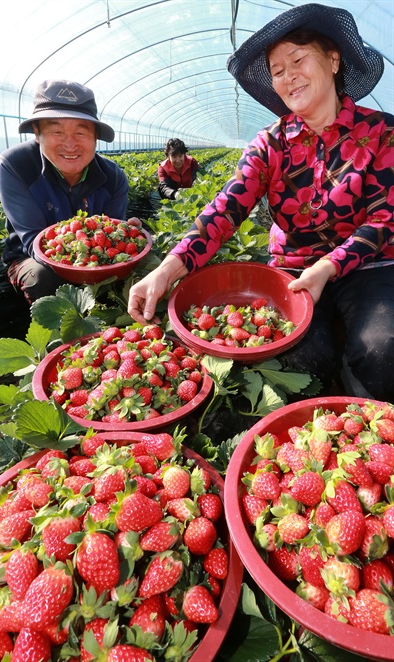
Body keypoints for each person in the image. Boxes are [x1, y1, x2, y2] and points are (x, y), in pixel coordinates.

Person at [128, 3, 394, 402]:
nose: (288, 77)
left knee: (382, 348)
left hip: (370, 266)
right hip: (294, 271)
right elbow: (226, 208)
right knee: (299, 358)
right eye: (277, 71)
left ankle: (372, 412)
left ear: (334, 60)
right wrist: (167, 269)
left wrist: (330, 265)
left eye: (298, 59)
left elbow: (385, 219)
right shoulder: (270, 143)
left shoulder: (381, 132)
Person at [0, 79, 129, 304]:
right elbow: (35, 243)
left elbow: (112, 239)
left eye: (81, 132)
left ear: (95, 136)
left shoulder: (114, 176)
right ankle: (58, 333)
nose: (70, 145)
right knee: (43, 279)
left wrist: (125, 234)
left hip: (97, 259)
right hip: (30, 257)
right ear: (37, 133)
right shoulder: (15, 165)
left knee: (137, 270)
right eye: (57, 131)